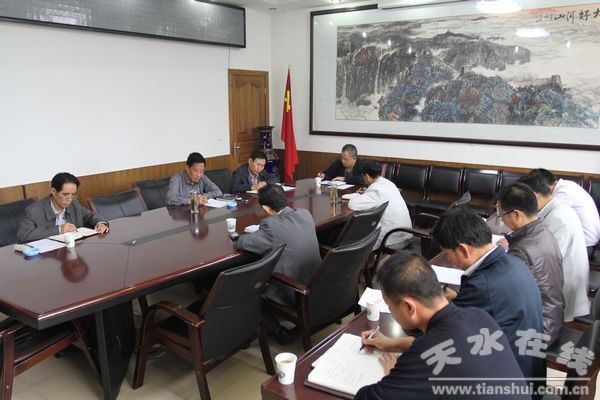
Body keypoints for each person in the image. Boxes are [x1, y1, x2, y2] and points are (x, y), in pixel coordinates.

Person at [355, 252, 529, 400]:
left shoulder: (424, 355)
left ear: (409, 307)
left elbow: (367, 397)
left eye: (389, 305)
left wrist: (393, 378)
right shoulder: (479, 316)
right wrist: (391, 344)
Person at [430, 208, 545, 384]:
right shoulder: (513, 261)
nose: (449, 259)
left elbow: (446, 333)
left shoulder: (481, 285)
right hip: (529, 370)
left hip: (508, 385)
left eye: (447, 254)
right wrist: (458, 297)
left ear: (463, 249)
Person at [235, 185, 321, 342]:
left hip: (294, 291)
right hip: (317, 283)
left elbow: (242, 243)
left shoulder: (270, 225)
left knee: (250, 291)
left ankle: (278, 331)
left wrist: (235, 236)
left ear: (266, 208)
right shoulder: (305, 214)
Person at [494, 183, 564, 345]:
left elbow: (506, 297)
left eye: (501, 214)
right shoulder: (544, 231)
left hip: (539, 329)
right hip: (552, 318)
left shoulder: (521, 251)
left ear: (516, 214)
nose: (501, 219)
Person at [519, 172, 590, 321]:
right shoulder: (554, 209)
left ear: (535, 196)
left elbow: (545, 260)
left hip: (565, 286)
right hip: (559, 277)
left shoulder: (558, 217)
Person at [17, 172, 109, 242]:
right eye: (65, 194)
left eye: (73, 195)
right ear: (53, 191)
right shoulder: (33, 210)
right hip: (47, 256)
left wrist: (101, 223)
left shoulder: (73, 204)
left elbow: (91, 216)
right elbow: (23, 235)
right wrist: (58, 229)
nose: (70, 199)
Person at [529, 168, 600, 256]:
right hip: (587, 242)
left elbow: (543, 219)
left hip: (585, 246)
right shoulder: (567, 185)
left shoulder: (562, 193)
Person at [347, 160, 413, 250]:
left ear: (367, 176)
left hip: (393, 237)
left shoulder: (376, 190)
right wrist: (367, 193)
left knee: (357, 229)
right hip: (406, 232)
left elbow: (353, 204)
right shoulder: (388, 183)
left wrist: (358, 195)